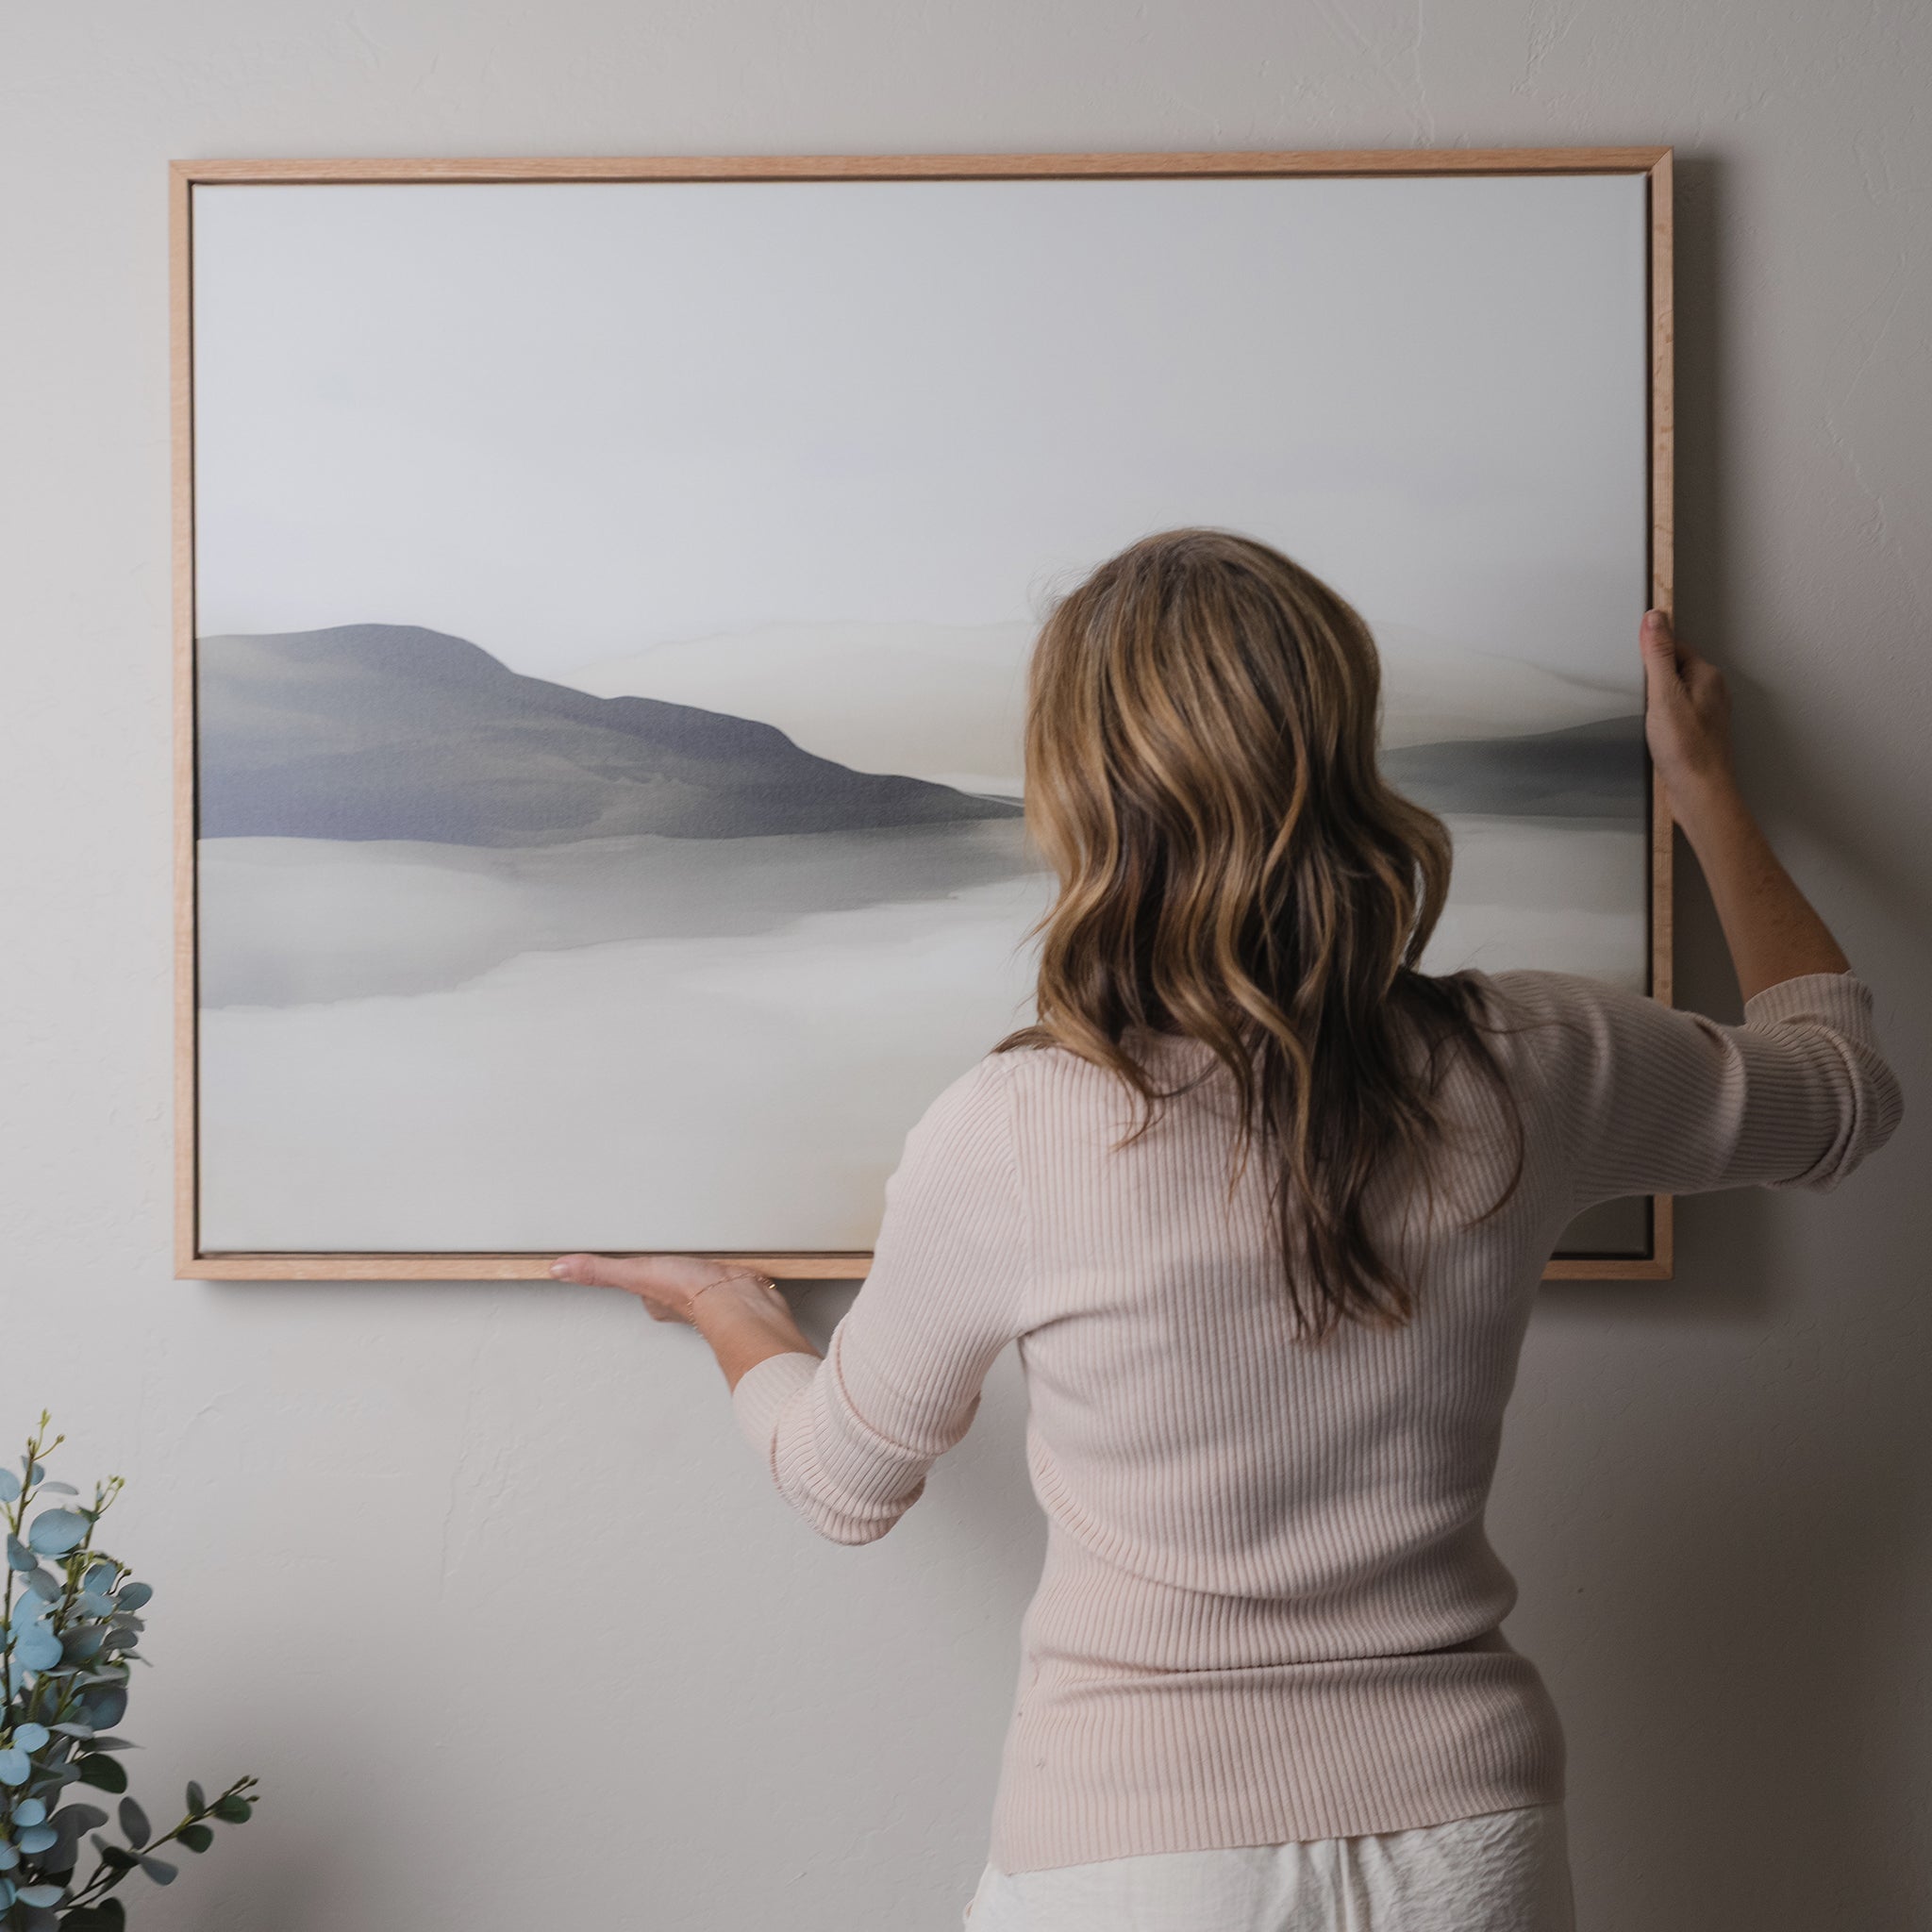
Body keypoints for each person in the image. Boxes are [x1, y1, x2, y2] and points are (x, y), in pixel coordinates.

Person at [550, 530, 1902, 1931]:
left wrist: (727, 1307)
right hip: (1471, 1845)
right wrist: (1706, 791)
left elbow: (843, 1484)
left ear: (1078, 792)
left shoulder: (1013, 1128)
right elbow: (1846, 1092)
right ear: (1346, 755)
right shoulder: (1532, 1059)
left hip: (1142, 1859)